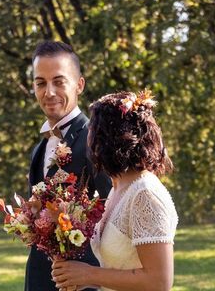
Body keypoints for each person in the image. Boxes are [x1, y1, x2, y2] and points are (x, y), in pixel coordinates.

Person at [52, 90, 178, 291]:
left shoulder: (145, 194)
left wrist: (88, 273)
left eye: (92, 129)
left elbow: (159, 282)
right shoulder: (117, 189)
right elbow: (122, 267)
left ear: (108, 138)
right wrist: (78, 278)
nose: (88, 137)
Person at [25, 41, 112, 291]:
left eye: (59, 81)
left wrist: (92, 274)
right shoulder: (39, 148)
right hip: (39, 279)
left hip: (83, 282)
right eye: (40, 82)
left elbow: (115, 213)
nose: (49, 92)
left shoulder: (95, 140)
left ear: (79, 85)